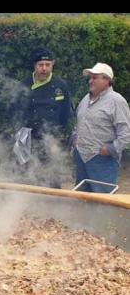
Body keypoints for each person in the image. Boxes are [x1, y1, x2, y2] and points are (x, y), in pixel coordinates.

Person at [13, 47, 72, 188]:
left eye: (48, 65)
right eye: (40, 65)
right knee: (29, 175)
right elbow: (16, 111)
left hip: (51, 138)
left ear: (53, 64)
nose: (44, 68)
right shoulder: (24, 85)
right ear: (35, 66)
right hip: (29, 139)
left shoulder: (61, 86)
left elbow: (65, 114)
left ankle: (54, 203)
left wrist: (56, 132)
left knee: (52, 175)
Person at [71, 63, 130, 193]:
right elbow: (80, 122)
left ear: (107, 80)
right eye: (90, 77)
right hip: (81, 157)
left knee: (102, 202)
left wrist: (111, 148)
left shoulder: (116, 101)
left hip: (103, 160)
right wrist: (75, 136)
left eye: (94, 77)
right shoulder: (86, 99)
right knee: (81, 199)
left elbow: (126, 133)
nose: (90, 81)